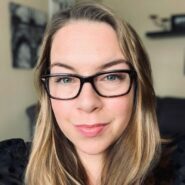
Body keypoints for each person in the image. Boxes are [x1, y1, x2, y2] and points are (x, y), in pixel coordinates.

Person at [0, 1, 184, 185]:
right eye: (65, 78)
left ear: (139, 86)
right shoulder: (8, 166)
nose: (87, 103)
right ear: (47, 90)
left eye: (111, 77)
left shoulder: (177, 169)